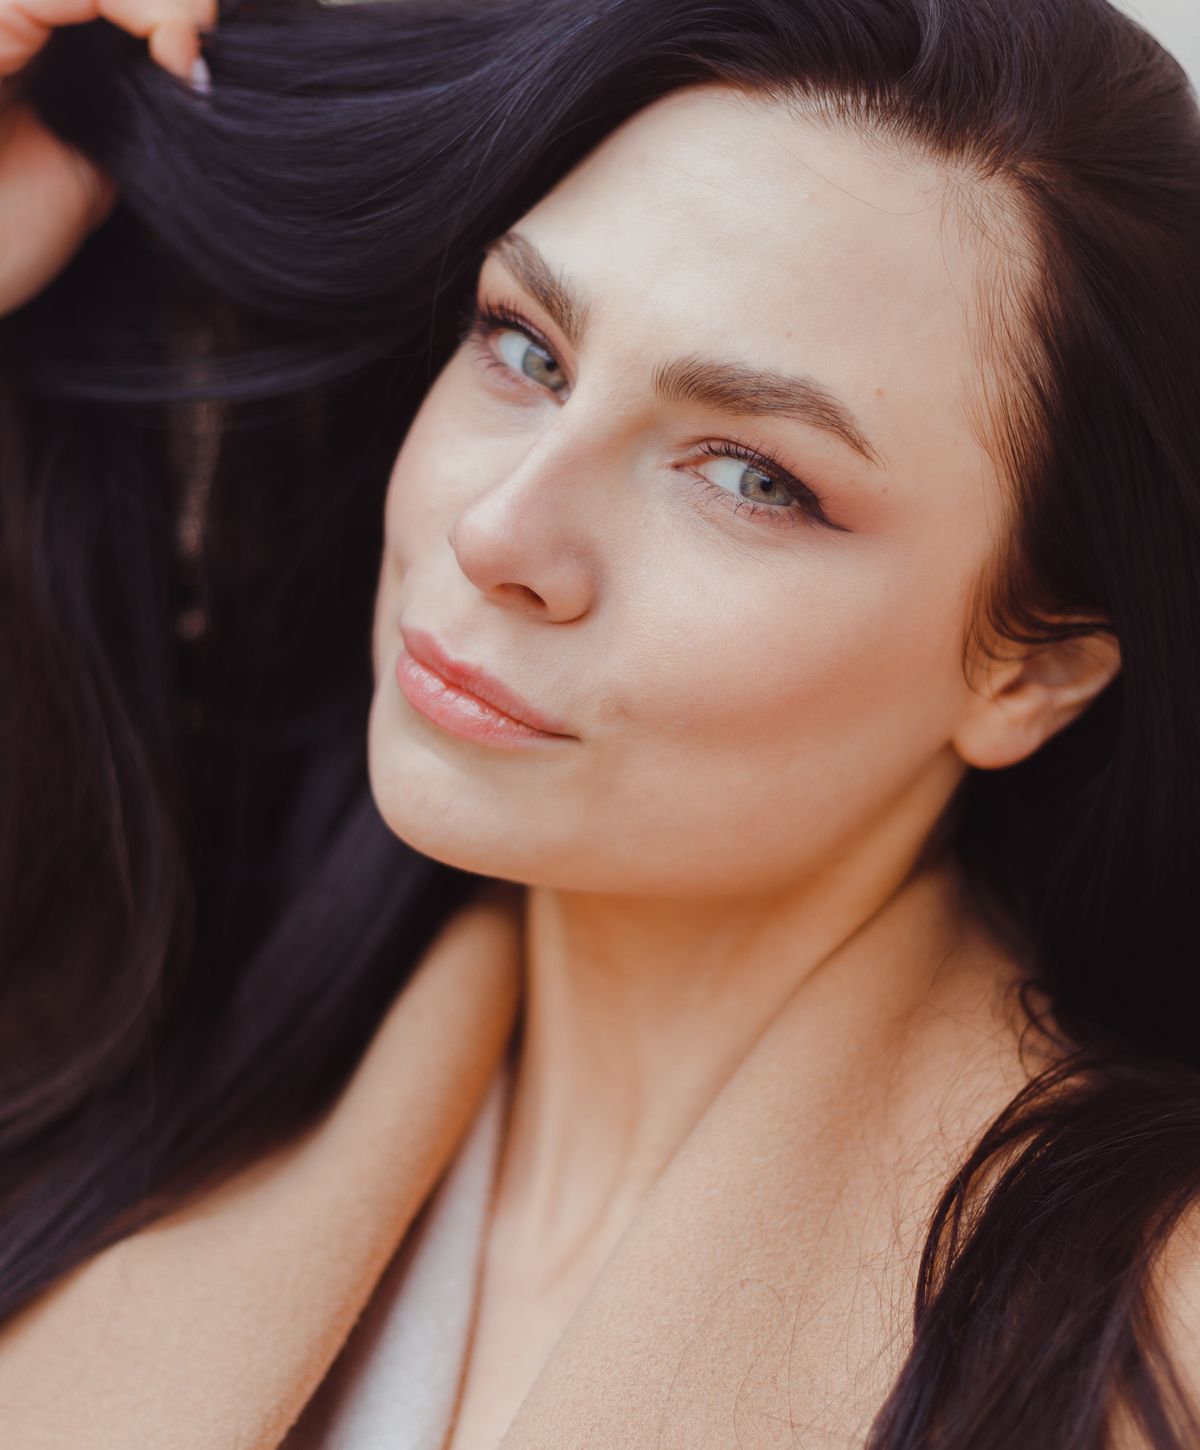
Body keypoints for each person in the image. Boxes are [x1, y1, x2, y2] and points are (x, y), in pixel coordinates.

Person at [1, 0, 1198, 1445]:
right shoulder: (139, 1006)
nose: (502, 530)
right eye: (524, 348)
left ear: (1032, 671)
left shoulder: (1144, 1329)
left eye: (754, 476)